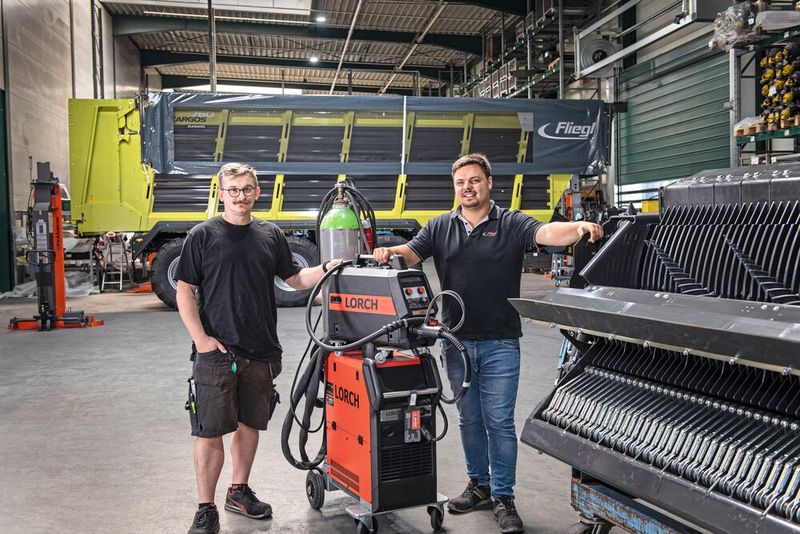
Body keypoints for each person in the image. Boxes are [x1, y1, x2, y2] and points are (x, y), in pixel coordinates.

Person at [372, 153, 603, 534]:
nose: (467, 187)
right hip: (456, 342)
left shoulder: (510, 223)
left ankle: (503, 496)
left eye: (474, 180)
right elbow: (411, 253)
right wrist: (388, 251)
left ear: (489, 183)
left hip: (500, 342)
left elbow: (545, 234)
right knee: (469, 419)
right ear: (455, 187)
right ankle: (477, 484)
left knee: (498, 422)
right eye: (461, 182)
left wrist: (577, 227)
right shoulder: (440, 226)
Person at [176, 162, 340, 534]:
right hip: (217, 351)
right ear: (221, 193)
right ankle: (206, 508)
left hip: (263, 349)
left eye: (247, 188)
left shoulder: (270, 234)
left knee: (251, 423)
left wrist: (328, 266)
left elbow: (295, 278)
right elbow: (184, 289)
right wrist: (202, 340)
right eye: (233, 189)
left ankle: (238, 490)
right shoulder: (202, 235)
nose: (240, 196)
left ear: (257, 191)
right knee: (210, 429)